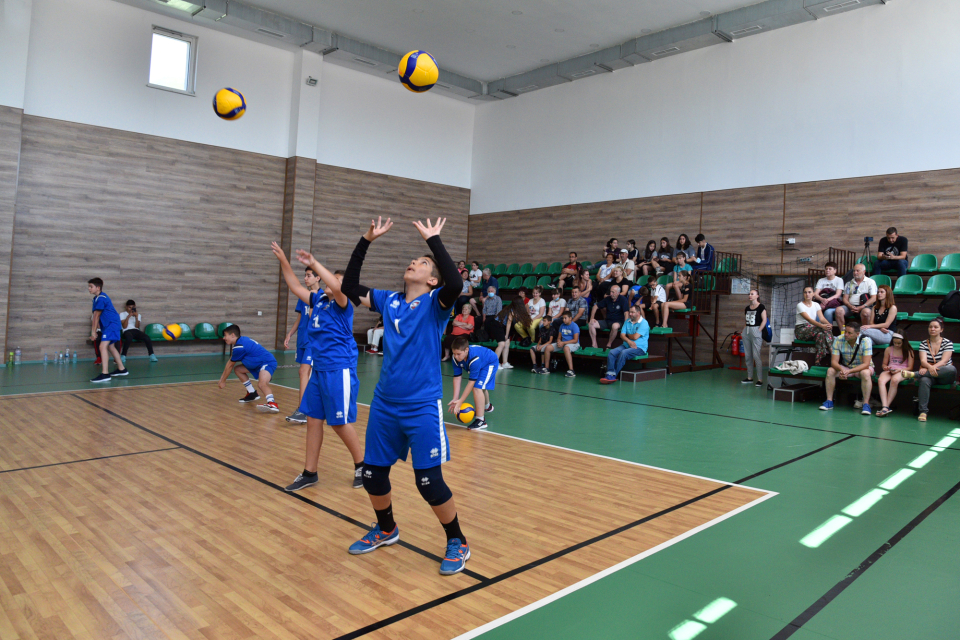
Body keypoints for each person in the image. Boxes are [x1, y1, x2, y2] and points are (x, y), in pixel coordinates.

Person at [340, 216, 472, 575]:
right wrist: (366, 239)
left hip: (421, 406)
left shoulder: (435, 304)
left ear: (431, 280)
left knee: (428, 481)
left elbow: (456, 282)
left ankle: (457, 540)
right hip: (385, 404)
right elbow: (350, 286)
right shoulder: (389, 301)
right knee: (372, 475)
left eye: (423, 263)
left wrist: (435, 242)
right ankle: (386, 529)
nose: (415, 262)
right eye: (414, 260)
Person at [272, 243, 366, 491]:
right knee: (313, 420)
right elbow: (294, 286)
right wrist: (284, 260)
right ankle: (309, 472)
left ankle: (362, 466)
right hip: (320, 369)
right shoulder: (319, 300)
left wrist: (314, 263)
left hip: (339, 369)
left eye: (334, 279)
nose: (330, 281)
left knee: (338, 422)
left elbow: (337, 286)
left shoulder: (343, 305)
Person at [282, 265, 321, 424]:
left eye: (309, 275)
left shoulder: (322, 296)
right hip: (302, 339)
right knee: (306, 373)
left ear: (318, 278)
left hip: (314, 341)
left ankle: (303, 410)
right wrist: (290, 333)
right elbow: (300, 318)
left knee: (303, 371)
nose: (305, 278)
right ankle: (309, 408)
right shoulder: (302, 296)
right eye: (305, 275)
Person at [902, 318, 957, 422]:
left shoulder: (947, 342)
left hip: (945, 374)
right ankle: (923, 412)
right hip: (930, 374)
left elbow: (945, 361)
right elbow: (923, 361)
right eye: (930, 327)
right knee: (924, 380)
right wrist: (930, 368)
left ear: (941, 330)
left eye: (936, 327)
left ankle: (915, 375)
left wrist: (931, 367)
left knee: (951, 369)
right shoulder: (923, 343)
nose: (932, 329)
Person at [219, 325, 279, 413]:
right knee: (238, 369)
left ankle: (272, 403)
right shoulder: (241, 341)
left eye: (225, 335)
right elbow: (231, 363)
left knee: (262, 384)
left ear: (232, 335)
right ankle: (252, 393)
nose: (224, 338)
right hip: (257, 364)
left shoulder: (239, 346)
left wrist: (222, 381)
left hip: (266, 362)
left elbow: (230, 365)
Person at [820, 323, 874, 414]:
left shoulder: (866, 341)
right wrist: (842, 370)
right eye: (845, 332)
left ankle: (866, 404)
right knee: (830, 371)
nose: (846, 335)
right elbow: (834, 362)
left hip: (862, 368)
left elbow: (866, 364)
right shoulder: (838, 339)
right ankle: (829, 401)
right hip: (846, 367)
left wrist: (849, 371)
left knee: (865, 373)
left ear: (857, 334)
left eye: (849, 333)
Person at [450, 337, 498, 431]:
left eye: (458, 354)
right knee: (480, 386)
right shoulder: (455, 358)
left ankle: (481, 421)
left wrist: (461, 401)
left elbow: (471, 382)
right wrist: (455, 399)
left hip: (489, 362)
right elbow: (457, 378)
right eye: (454, 354)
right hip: (482, 360)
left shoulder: (474, 359)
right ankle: (487, 406)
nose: (456, 356)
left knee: (477, 387)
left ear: (466, 350)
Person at [87, 278, 127, 383]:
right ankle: (122, 369)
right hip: (108, 326)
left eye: (91, 286)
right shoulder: (96, 299)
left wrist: (93, 332)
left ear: (98, 288)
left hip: (112, 325)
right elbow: (95, 316)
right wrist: (96, 330)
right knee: (110, 346)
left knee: (102, 346)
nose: (89, 288)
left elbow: (96, 316)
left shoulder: (101, 298)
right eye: (89, 286)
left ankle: (105, 374)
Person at [600, 305, 650, 384]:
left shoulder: (644, 323)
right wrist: (629, 341)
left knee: (623, 353)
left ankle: (613, 375)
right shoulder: (627, 321)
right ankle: (610, 373)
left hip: (639, 348)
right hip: (626, 345)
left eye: (632, 312)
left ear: (638, 313)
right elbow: (622, 335)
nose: (630, 314)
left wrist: (628, 336)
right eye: (630, 312)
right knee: (612, 352)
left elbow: (635, 337)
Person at [875, 334, 914, 417]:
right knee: (881, 380)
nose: (896, 345)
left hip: (903, 371)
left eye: (899, 343)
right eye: (895, 342)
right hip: (891, 370)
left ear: (904, 342)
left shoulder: (909, 350)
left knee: (895, 380)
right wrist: (886, 367)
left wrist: (899, 370)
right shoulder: (889, 349)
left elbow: (910, 367)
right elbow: (884, 364)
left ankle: (885, 407)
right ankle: (885, 406)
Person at [795, 286, 833, 364]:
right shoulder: (800, 305)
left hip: (813, 329)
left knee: (821, 334)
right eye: (805, 292)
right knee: (822, 329)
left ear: (813, 294)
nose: (807, 294)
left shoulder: (816, 304)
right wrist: (823, 326)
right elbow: (809, 320)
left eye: (809, 292)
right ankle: (833, 352)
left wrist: (828, 324)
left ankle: (817, 360)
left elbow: (822, 318)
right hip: (801, 330)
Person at [835, 263, 877, 331]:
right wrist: (850, 305)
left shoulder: (870, 282)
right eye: (854, 271)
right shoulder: (849, 283)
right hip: (851, 307)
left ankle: (864, 334)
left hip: (865, 306)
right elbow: (845, 298)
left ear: (864, 272)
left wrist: (862, 306)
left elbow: (874, 297)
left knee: (866, 312)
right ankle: (843, 333)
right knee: (838, 310)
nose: (855, 273)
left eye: (857, 271)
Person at [589, 284, 628, 349]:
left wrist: (626, 325)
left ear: (618, 293)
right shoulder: (608, 299)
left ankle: (609, 345)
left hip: (618, 322)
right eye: (610, 291)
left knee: (615, 326)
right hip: (607, 321)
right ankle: (594, 344)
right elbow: (595, 306)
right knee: (591, 324)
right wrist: (592, 318)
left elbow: (626, 313)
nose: (611, 293)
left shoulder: (623, 299)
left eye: (613, 292)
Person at [543, 310, 581, 377]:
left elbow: (575, 340)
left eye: (565, 318)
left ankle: (571, 370)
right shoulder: (562, 325)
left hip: (573, 344)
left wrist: (563, 343)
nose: (563, 320)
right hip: (563, 343)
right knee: (548, 347)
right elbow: (559, 337)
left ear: (570, 318)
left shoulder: (574, 326)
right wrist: (559, 342)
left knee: (566, 348)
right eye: (563, 318)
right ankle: (546, 368)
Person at [119, 300, 158, 364]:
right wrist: (128, 316)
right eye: (129, 307)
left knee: (147, 337)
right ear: (126, 307)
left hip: (135, 330)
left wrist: (136, 317)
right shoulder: (122, 314)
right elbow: (124, 327)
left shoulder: (138, 315)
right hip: (126, 331)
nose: (131, 309)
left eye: (133, 307)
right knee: (129, 338)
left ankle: (152, 355)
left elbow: (137, 326)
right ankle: (123, 356)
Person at [741, 289, 766, 387]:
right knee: (748, 356)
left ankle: (760, 379)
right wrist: (743, 331)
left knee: (756, 355)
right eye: (749, 294)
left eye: (752, 294)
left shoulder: (761, 307)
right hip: (747, 330)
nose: (750, 295)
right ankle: (749, 377)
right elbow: (746, 321)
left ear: (757, 296)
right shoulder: (747, 308)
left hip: (756, 330)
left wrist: (759, 330)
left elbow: (764, 320)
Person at [813, 261, 845, 326]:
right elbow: (815, 294)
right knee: (816, 311)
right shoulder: (821, 280)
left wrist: (826, 301)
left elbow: (838, 294)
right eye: (826, 269)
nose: (827, 270)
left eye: (830, 269)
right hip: (822, 302)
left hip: (834, 304)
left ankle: (828, 332)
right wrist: (822, 300)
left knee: (828, 312)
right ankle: (817, 332)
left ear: (835, 271)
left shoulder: (839, 280)